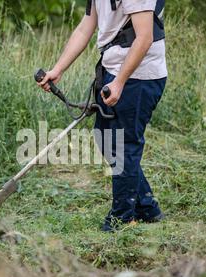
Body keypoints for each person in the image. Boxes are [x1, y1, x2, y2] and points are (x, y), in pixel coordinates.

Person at [37, 0, 167, 232]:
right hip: (113, 71)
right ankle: (146, 207)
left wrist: (119, 83)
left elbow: (145, 37)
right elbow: (86, 26)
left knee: (124, 146)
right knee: (106, 140)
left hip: (139, 77)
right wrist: (58, 70)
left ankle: (121, 220)